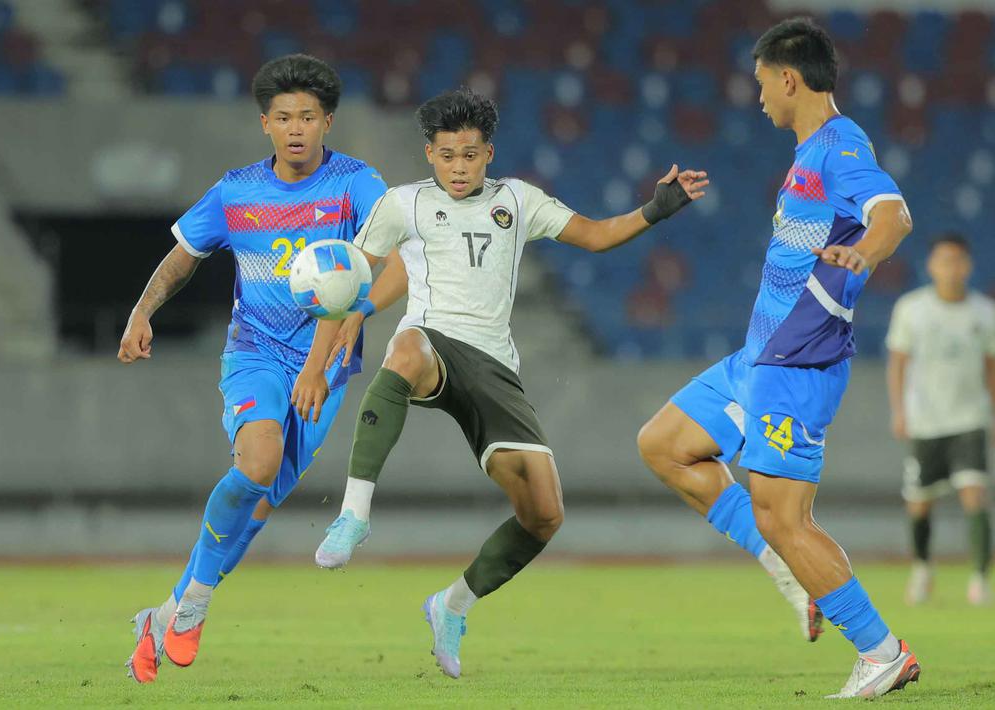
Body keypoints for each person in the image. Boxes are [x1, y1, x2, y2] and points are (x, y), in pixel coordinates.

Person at [310, 88, 707, 679]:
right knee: (405, 348)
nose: (459, 168)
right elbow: (348, 280)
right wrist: (319, 362)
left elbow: (596, 235)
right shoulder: (403, 204)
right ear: (429, 153)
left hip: (494, 366)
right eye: (447, 156)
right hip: (433, 340)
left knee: (544, 514)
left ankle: (451, 605)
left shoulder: (518, 201)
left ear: (488, 153)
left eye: (470, 155)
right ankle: (353, 515)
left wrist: (655, 209)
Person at [634, 18, 919, 698]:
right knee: (665, 444)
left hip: (798, 364)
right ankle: (789, 568)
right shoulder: (810, 153)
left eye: (762, 84)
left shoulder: (838, 146)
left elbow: (893, 215)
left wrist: (863, 253)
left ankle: (881, 651)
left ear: (788, 79)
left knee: (784, 516)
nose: (758, 97)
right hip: (759, 359)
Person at [116, 54, 387, 682]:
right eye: (284, 117)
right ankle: (196, 604)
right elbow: (184, 255)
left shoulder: (356, 184)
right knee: (258, 463)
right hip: (255, 353)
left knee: (255, 510)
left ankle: (165, 615)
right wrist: (141, 311)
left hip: (325, 368)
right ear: (265, 123)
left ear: (328, 122)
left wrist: (355, 317)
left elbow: (392, 251)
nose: (296, 129)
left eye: (308, 117)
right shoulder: (236, 191)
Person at [887, 233, 994, 606]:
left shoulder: (984, 312)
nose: (951, 268)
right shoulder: (911, 309)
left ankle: (979, 579)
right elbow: (898, 363)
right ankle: (922, 570)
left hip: (969, 418)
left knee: (975, 495)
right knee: (919, 503)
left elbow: (991, 367)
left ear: (968, 266)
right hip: (925, 421)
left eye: (957, 260)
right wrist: (899, 411)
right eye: (944, 260)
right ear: (932, 266)